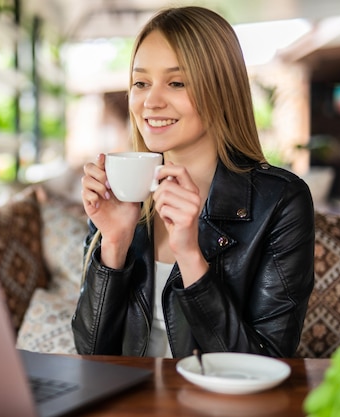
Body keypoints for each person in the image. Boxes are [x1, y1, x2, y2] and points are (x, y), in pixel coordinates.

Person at [72, 6, 315, 359]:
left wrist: (189, 254)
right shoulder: (121, 194)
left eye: (176, 82)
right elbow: (90, 355)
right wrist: (114, 243)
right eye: (141, 83)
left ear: (220, 88)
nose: (151, 102)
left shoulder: (280, 201)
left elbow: (266, 364)